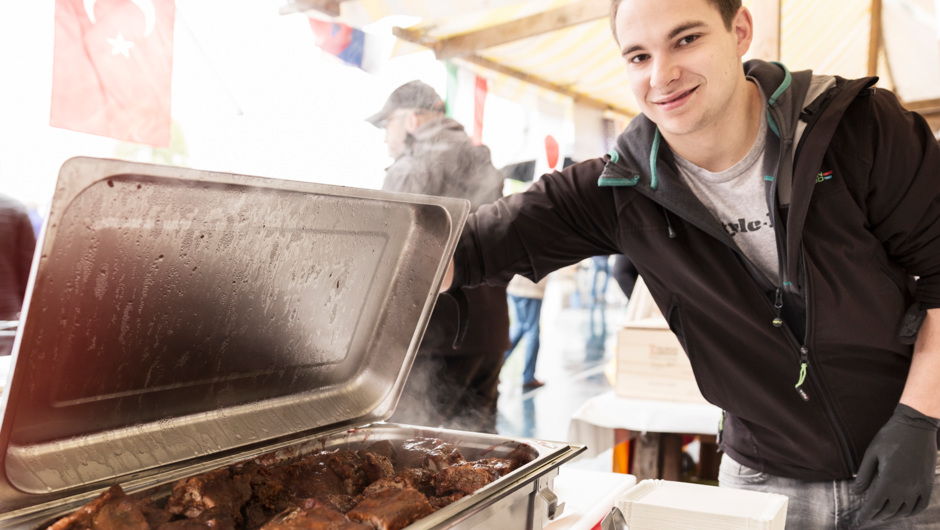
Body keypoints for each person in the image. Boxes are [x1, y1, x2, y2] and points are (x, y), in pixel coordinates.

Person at [442, 0, 940, 527]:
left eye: (686, 39)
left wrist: (919, 417)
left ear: (740, 30)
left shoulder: (859, 128)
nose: (662, 75)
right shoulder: (618, 188)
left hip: (914, 460)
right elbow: (466, 249)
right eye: (638, 56)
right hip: (760, 478)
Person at [368, 80, 510, 434]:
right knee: (479, 451)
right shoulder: (481, 159)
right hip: (490, 331)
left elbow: (389, 259)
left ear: (413, 119)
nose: (386, 137)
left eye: (388, 124)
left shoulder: (413, 167)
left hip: (435, 339)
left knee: (423, 455)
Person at [504, 274, 548, 391]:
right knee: (532, 331)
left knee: (519, 327)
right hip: (530, 287)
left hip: (515, 284)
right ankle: (528, 377)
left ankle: (494, 365)